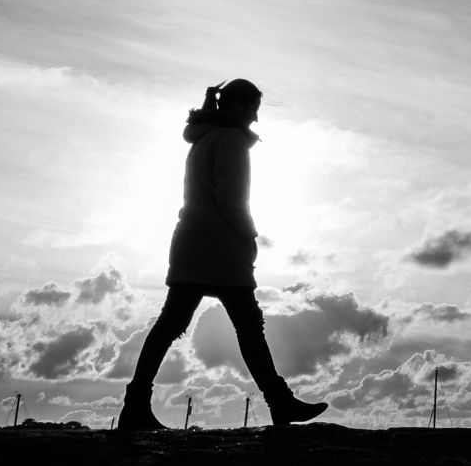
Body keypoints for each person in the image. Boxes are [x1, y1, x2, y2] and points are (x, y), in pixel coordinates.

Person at [116, 79, 329, 433]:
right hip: (219, 247)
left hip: (193, 244)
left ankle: (135, 405)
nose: (256, 118)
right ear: (237, 107)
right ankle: (280, 402)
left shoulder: (203, 138)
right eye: (253, 108)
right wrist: (249, 235)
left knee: (172, 325)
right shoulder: (230, 140)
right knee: (248, 327)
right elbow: (231, 198)